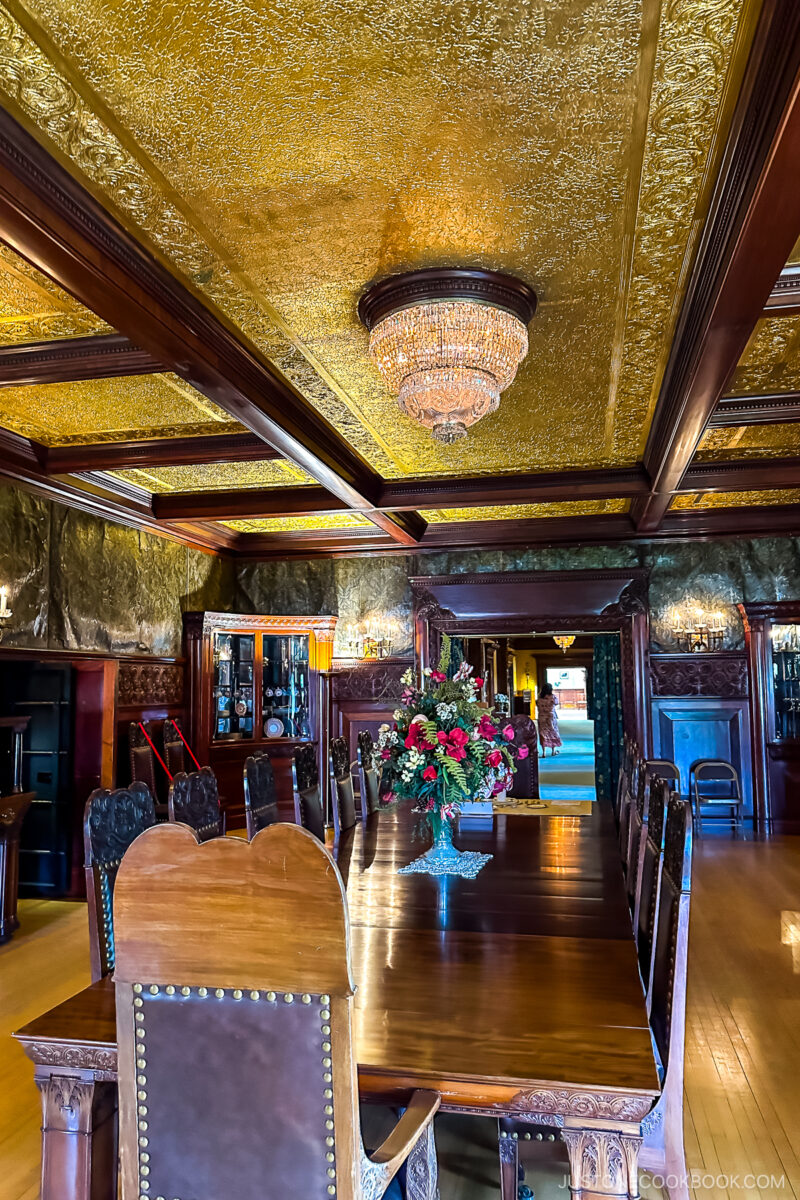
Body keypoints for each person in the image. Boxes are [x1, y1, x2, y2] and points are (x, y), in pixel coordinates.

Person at [537, 682, 562, 756]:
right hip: (551, 717)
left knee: (542, 733)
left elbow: (537, 704)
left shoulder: (539, 698)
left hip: (541, 717)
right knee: (552, 732)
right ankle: (553, 750)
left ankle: (544, 752)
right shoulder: (553, 697)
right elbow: (557, 703)